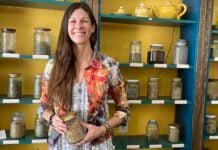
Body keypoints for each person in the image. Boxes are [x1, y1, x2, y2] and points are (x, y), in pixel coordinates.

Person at [39, 2, 130, 150]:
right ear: (66, 27)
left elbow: (124, 110)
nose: (78, 26)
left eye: (84, 21)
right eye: (73, 21)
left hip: (98, 145)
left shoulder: (108, 66)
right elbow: (43, 105)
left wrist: (102, 129)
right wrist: (52, 118)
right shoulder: (53, 66)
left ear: (93, 27)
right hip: (62, 145)